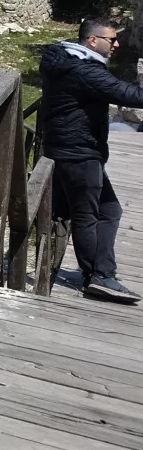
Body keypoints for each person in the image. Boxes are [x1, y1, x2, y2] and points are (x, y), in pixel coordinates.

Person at [41, 18, 143, 303]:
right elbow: (128, 94)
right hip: (77, 151)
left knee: (109, 210)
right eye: (112, 39)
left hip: (71, 147)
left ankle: (101, 273)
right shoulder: (83, 70)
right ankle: (98, 276)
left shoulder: (67, 60)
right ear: (92, 40)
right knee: (88, 214)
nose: (117, 44)